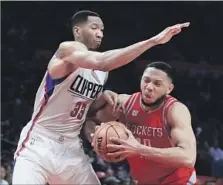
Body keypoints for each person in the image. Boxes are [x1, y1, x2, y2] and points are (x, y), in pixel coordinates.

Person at [12, 9, 190, 185]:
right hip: (39, 143)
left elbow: (84, 108)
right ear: (77, 31)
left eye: (102, 30)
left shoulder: (101, 75)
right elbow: (102, 61)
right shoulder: (66, 51)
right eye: (94, 28)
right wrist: (153, 41)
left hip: (71, 148)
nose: (100, 33)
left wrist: (102, 97)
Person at [89, 62, 197, 185]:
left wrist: (138, 149)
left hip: (178, 180)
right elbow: (90, 119)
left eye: (157, 84)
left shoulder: (175, 110)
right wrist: (95, 138)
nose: (149, 87)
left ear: (169, 89)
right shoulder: (125, 104)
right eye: (146, 80)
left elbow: (188, 158)